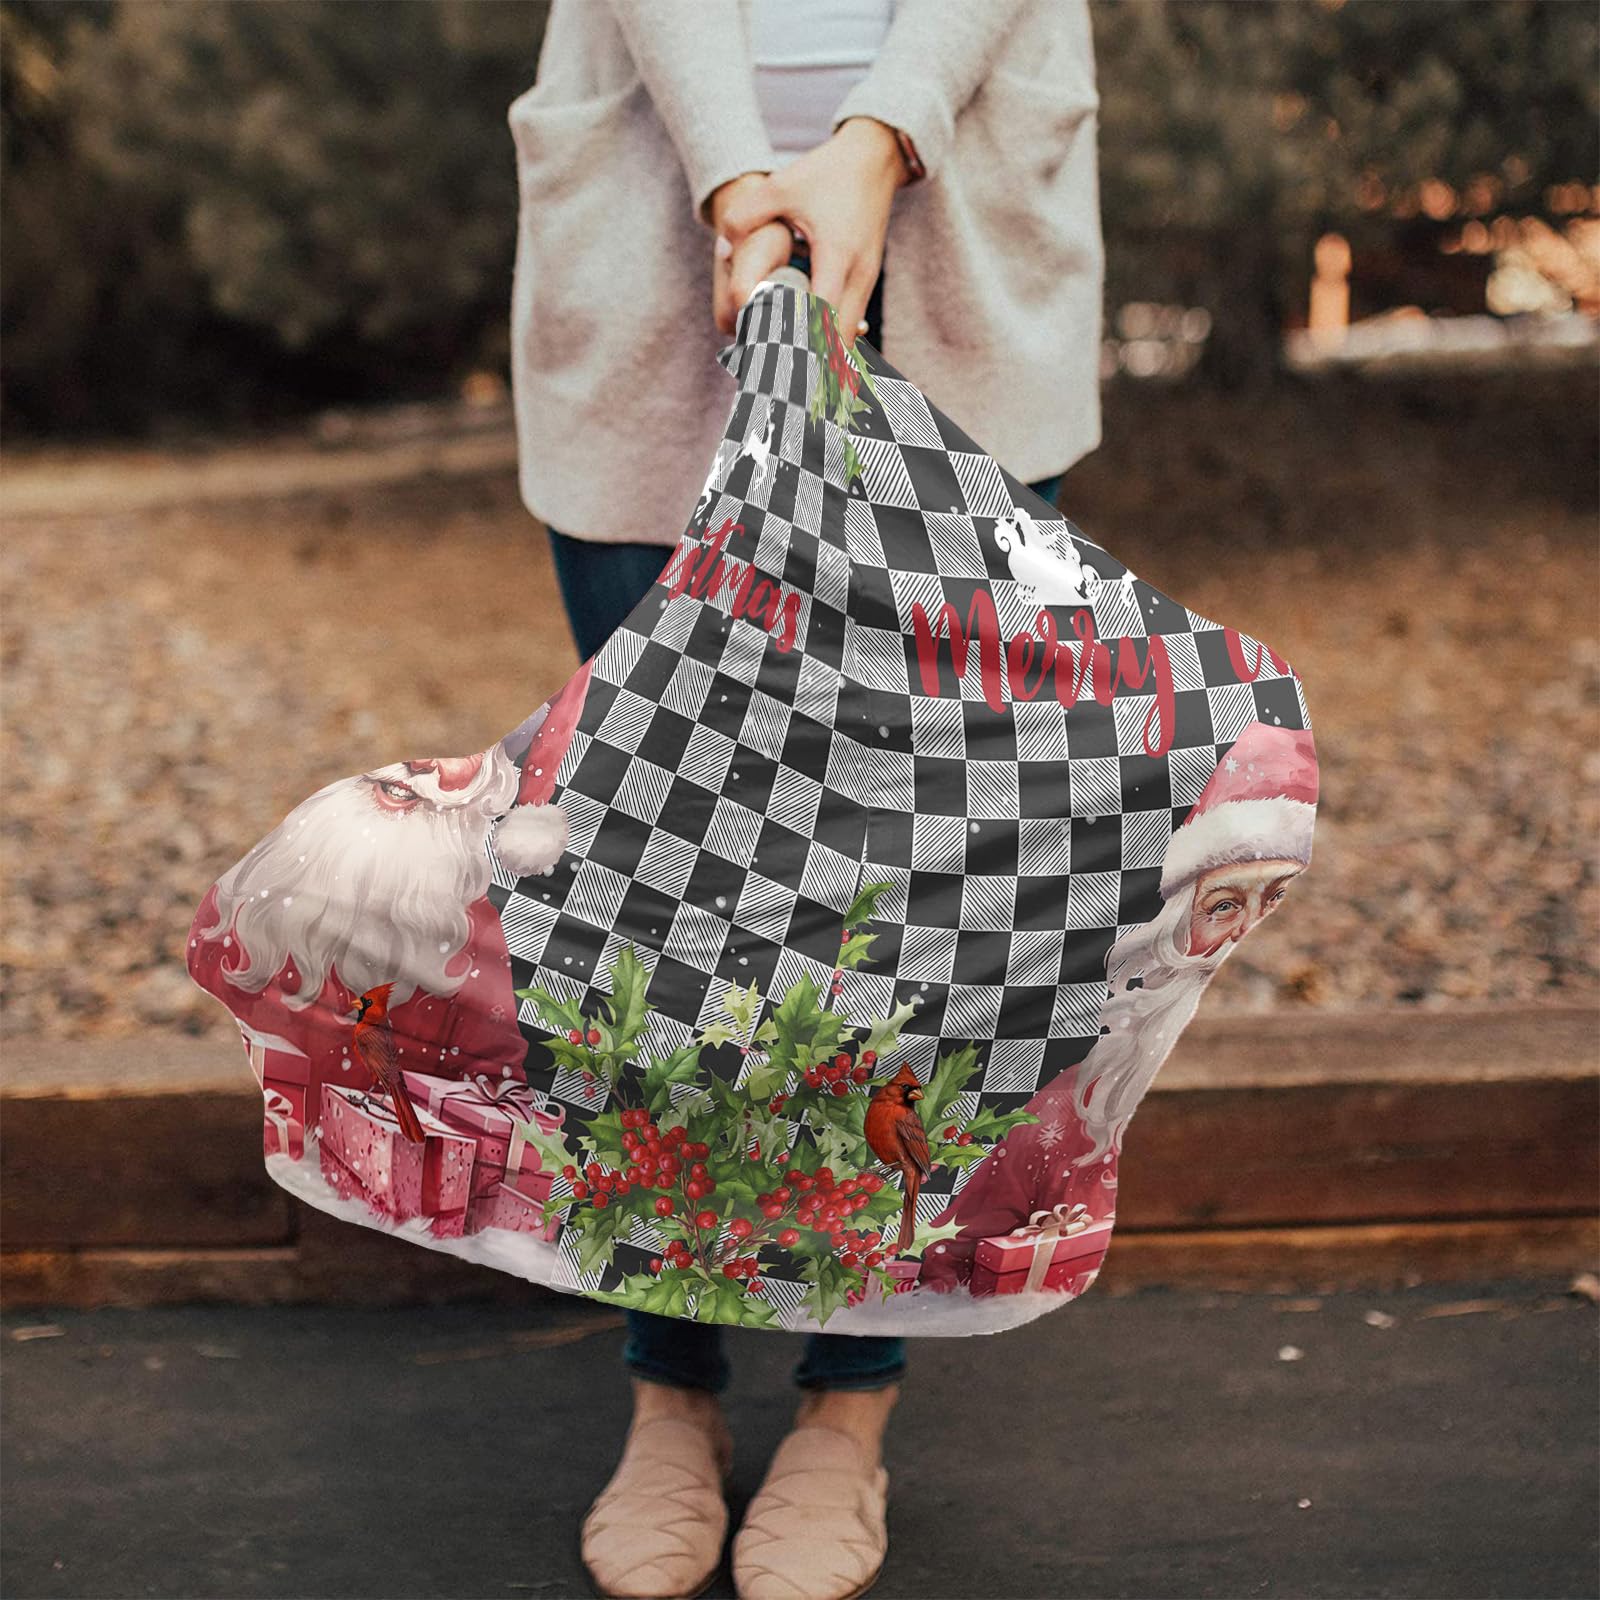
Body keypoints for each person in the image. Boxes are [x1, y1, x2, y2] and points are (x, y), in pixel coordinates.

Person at [507, 4, 1103, 1595]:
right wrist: (735, 179)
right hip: (658, 232)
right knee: (665, 873)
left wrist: (876, 138)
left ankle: (849, 1402)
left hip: (954, 233)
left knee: (900, 889)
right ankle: (671, 1387)